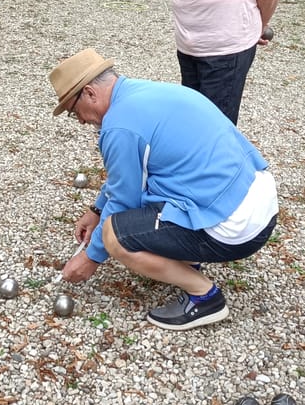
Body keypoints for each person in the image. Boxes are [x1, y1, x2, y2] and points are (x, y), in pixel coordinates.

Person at [49, 49, 278, 330]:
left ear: (89, 93)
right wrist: (96, 210)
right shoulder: (144, 93)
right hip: (257, 199)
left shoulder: (119, 128)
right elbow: (127, 176)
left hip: (236, 227)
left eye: (75, 112)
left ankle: (205, 297)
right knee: (141, 206)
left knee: (114, 235)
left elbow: (124, 200)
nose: (81, 121)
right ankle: (186, 257)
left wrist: (90, 257)